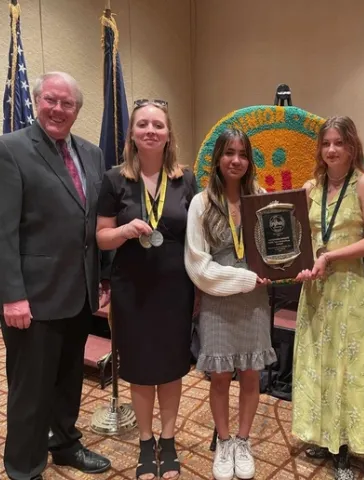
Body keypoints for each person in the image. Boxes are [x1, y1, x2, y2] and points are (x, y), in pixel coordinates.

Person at [0, 72, 111, 480]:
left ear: (77, 110)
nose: (58, 110)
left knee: (68, 381)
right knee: (30, 390)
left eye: (68, 104)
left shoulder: (92, 153)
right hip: (33, 298)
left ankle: (63, 443)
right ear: (37, 101)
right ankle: (24, 468)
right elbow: (3, 230)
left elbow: (93, 221)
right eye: (51, 100)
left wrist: (102, 278)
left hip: (79, 292)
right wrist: (11, 295)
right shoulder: (10, 149)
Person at [96, 99, 196, 480]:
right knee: (139, 369)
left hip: (176, 287)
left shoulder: (185, 179)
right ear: (133, 134)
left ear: (169, 133)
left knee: (170, 368)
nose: (151, 130)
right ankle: (144, 440)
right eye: (143, 125)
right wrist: (124, 230)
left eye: (158, 124)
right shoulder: (114, 179)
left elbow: (196, 237)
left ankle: (167, 442)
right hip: (132, 288)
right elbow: (102, 237)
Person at [293, 116, 364, 480]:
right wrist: (299, 263)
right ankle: (321, 436)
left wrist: (331, 256)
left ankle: (345, 446)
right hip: (316, 288)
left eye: (339, 143)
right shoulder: (310, 187)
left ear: (352, 146)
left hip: (349, 288)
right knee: (316, 361)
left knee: (349, 368)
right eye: (326, 143)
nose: (332, 150)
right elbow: (298, 237)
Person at [184, 128, 276, 480]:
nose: (236, 160)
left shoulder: (261, 197)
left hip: (254, 301)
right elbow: (197, 265)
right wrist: (245, 279)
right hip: (217, 300)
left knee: (251, 373)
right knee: (220, 376)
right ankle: (223, 441)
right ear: (218, 158)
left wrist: (279, 265)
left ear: (249, 160)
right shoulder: (201, 203)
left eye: (242, 154)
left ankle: (242, 440)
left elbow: (274, 250)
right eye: (229, 153)